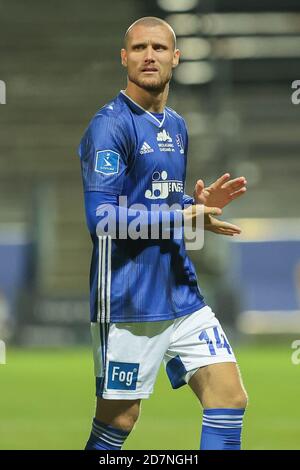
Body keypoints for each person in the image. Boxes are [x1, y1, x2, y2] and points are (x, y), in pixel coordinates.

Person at [78, 16, 248, 451]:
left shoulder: (176, 126)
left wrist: (194, 208)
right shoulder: (109, 127)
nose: (148, 56)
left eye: (158, 48)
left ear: (176, 57)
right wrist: (180, 218)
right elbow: (102, 222)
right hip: (129, 299)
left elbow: (164, 208)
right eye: (138, 48)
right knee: (120, 419)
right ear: (124, 58)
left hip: (181, 292)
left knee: (228, 396)